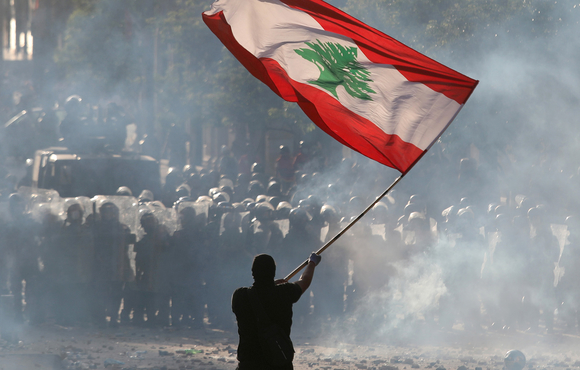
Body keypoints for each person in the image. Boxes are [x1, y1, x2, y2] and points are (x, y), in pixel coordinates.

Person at [232, 252, 321, 370]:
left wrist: (272, 285)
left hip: (249, 363)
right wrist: (312, 263)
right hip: (278, 361)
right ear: (273, 272)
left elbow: (260, 293)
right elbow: (304, 280)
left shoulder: (240, 296)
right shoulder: (284, 292)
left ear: (253, 272)